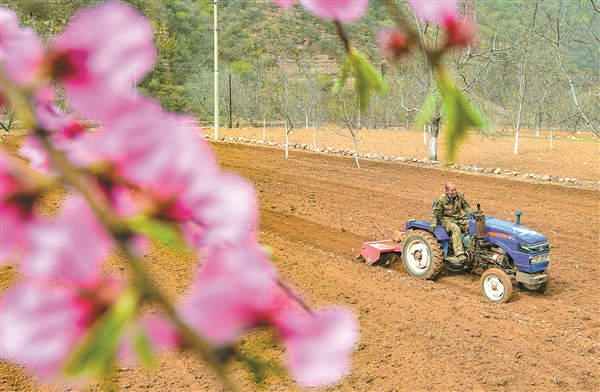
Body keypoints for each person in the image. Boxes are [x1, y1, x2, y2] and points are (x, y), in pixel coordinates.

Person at [429, 182, 472, 262]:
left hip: (458, 217)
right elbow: (434, 213)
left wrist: (470, 212)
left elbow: (466, 206)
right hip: (446, 220)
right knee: (456, 229)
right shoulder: (441, 200)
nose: (454, 192)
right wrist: (433, 224)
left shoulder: (459, 196)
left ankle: (471, 248)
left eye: (455, 189)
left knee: (471, 225)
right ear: (447, 191)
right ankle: (459, 253)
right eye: (452, 190)